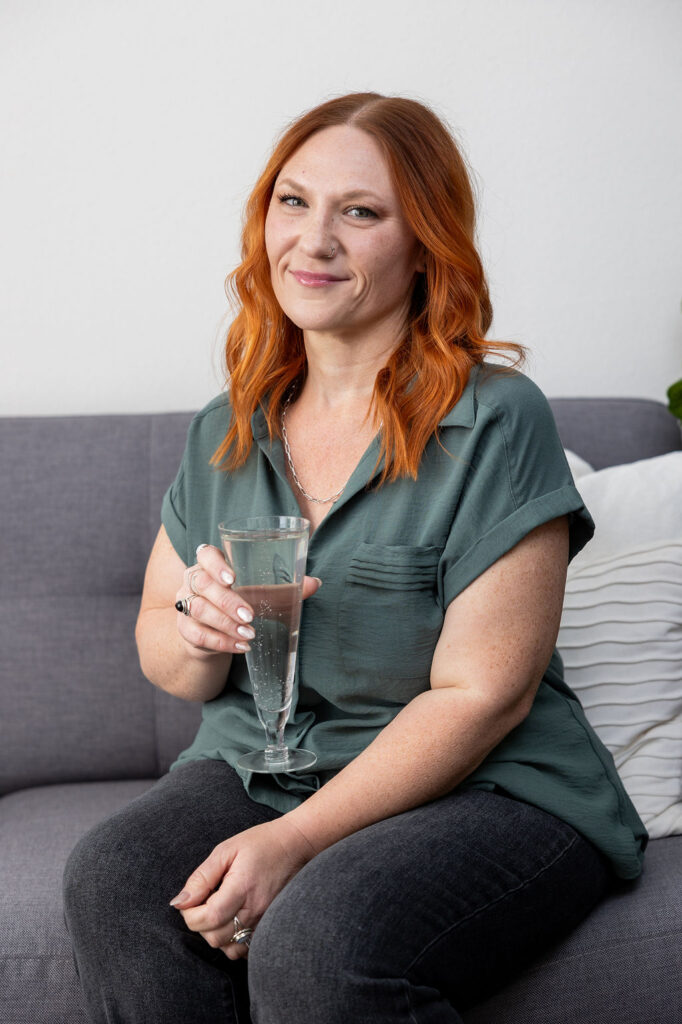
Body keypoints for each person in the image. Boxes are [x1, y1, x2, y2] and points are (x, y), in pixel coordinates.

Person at [62, 92, 647, 1024]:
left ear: (425, 244)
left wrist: (294, 842)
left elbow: (483, 694)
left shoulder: (496, 418)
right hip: (267, 765)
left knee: (319, 939)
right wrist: (199, 629)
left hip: (491, 784)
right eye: (293, 203)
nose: (314, 240)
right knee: (115, 883)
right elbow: (163, 650)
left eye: (361, 212)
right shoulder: (228, 426)